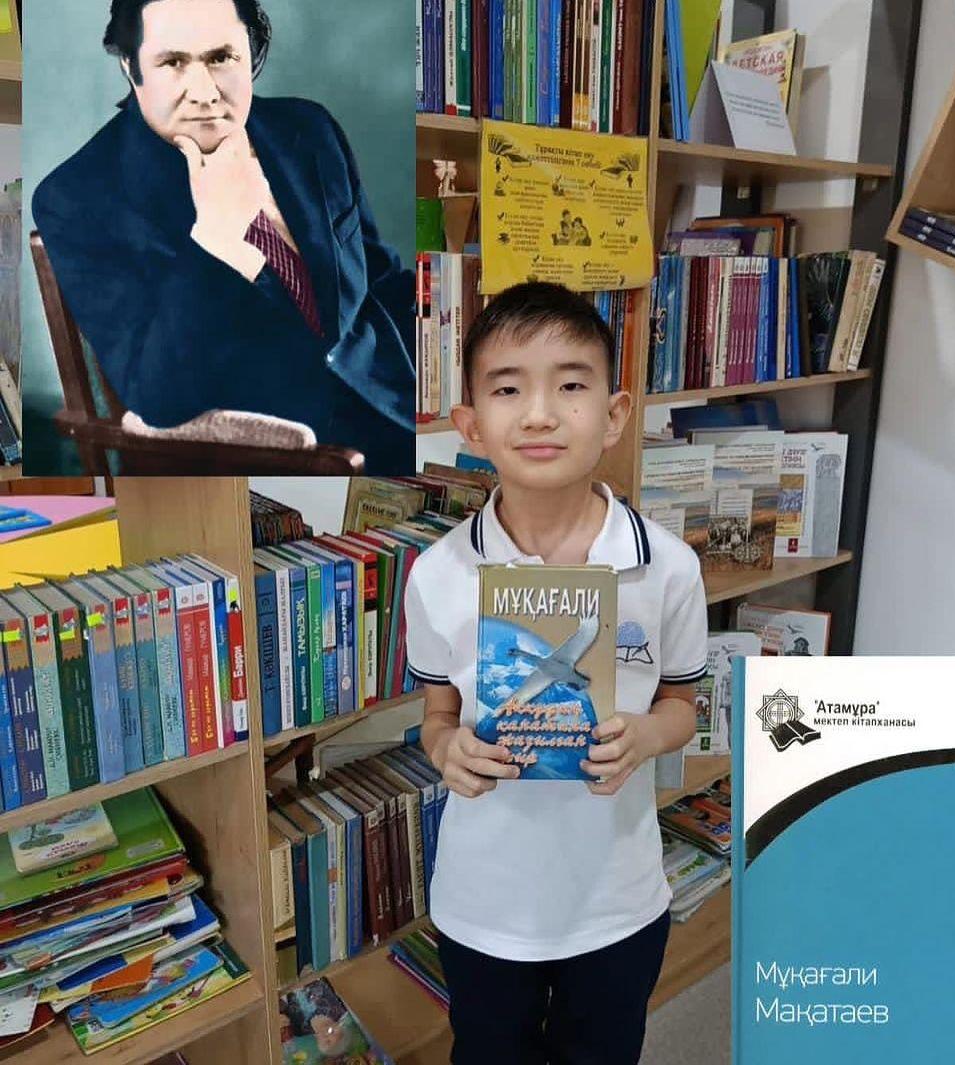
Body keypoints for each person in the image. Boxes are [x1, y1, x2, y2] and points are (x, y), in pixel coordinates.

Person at [404, 281, 708, 1064]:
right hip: (483, 905)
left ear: (614, 414)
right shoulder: (438, 574)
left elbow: (682, 704)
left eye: (571, 385)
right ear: (471, 424)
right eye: (508, 389)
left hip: (616, 902)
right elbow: (436, 717)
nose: (539, 413)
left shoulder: (669, 567)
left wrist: (646, 735)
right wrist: (447, 750)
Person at [32, 0, 414, 472]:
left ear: (250, 51)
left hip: (394, 414)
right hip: (265, 462)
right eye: (173, 62)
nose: (205, 92)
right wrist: (214, 241)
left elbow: (383, 283)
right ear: (131, 67)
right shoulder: (78, 196)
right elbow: (157, 398)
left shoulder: (309, 129)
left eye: (220, 58)